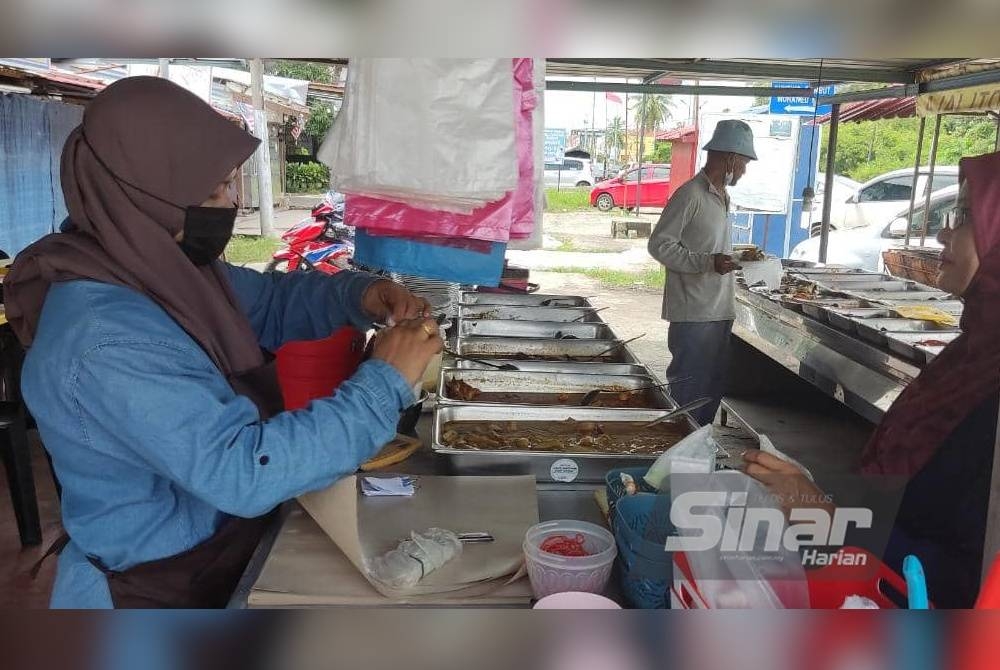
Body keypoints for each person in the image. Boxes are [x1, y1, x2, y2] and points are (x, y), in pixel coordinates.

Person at [4, 77, 443, 608]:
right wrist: (384, 381)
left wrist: (361, 295)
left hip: (218, 550)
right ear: (144, 195)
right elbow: (242, 471)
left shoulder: (163, 268)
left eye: (229, 184)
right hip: (150, 589)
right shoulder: (105, 341)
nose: (231, 200)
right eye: (213, 190)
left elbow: (269, 303)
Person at [744, 152, 1000, 608]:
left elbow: (967, 575)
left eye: (962, 216)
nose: (942, 231)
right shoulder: (974, 351)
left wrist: (825, 516)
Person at [647, 120, 756, 425]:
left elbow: (711, 245)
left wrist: (734, 258)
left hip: (719, 309)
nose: (745, 171)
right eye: (745, 163)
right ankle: (678, 460)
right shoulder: (691, 194)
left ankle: (698, 454)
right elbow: (659, 246)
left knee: (711, 389)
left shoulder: (721, 195)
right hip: (694, 312)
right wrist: (708, 263)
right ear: (731, 158)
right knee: (690, 392)